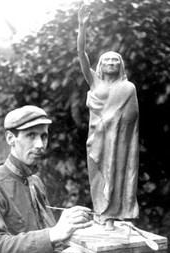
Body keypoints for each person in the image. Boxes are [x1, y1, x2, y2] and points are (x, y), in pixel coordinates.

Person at [0, 105, 92, 253]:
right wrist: (54, 233)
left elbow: (53, 247)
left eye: (43, 136)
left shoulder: (34, 182)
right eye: (31, 136)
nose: (40, 145)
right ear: (10, 138)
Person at [77, 5, 139, 230]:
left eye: (115, 60)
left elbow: (131, 118)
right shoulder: (94, 81)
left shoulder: (128, 87)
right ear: (101, 65)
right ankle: (101, 213)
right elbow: (81, 54)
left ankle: (112, 216)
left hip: (119, 140)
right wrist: (82, 27)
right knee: (97, 176)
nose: (111, 63)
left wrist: (115, 126)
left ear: (120, 65)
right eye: (107, 60)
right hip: (97, 139)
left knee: (118, 171)